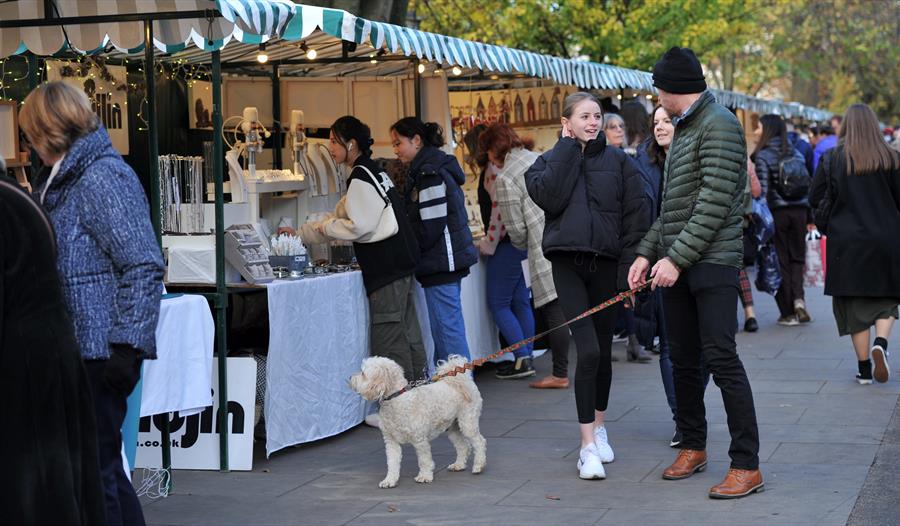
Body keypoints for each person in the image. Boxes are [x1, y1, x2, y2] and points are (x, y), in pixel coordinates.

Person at [20, 81, 164, 525]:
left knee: (98, 471)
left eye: (29, 134)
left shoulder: (102, 176)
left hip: (99, 353)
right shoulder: (66, 175)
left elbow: (143, 263)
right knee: (95, 469)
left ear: (48, 130)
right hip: (78, 350)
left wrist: (127, 348)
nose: (27, 144)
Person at [628, 47, 763, 499]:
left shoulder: (719, 124)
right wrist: (647, 253)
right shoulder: (686, 127)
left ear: (670, 89)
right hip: (679, 264)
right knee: (683, 359)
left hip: (713, 263)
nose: (656, 99)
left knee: (721, 360)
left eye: (658, 89)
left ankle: (747, 465)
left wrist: (676, 258)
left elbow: (715, 203)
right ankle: (692, 445)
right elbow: (674, 207)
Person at [526, 92, 649, 480]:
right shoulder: (547, 162)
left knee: (600, 355)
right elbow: (549, 197)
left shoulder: (619, 163)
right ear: (567, 121)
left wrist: (630, 268)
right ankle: (586, 446)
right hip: (566, 264)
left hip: (607, 266)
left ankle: (600, 427)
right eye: (585, 116)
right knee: (590, 350)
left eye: (597, 116)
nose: (594, 122)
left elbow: (636, 215)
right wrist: (567, 149)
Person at [1, 167, 107, 526]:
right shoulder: (17, 197)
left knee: (36, 489)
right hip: (46, 349)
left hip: (24, 362)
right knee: (59, 484)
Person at [301, 116, 426, 385]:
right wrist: (309, 230)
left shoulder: (360, 176)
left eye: (335, 142)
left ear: (352, 144)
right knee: (407, 330)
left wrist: (328, 228)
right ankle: (419, 391)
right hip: (402, 261)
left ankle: (396, 401)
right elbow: (349, 210)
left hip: (387, 267)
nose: (331, 148)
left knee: (389, 334)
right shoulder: (372, 171)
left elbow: (359, 225)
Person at [810, 103, 900, 385]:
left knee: (854, 306)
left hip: (846, 241)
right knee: (887, 299)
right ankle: (881, 344)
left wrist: (827, 226)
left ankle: (863, 370)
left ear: (845, 126)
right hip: (886, 238)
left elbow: (816, 199)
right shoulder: (892, 158)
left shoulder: (832, 158)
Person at [481, 123, 571, 387]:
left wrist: (524, 245)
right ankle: (544, 364)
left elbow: (516, 229)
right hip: (564, 235)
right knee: (557, 305)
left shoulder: (506, 177)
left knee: (553, 309)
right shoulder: (538, 157)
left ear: (492, 150)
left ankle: (559, 373)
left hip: (541, 245)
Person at [390, 117, 478, 364]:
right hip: (443, 261)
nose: (395, 150)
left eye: (398, 143)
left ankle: (462, 392)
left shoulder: (428, 171)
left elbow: (431, 225)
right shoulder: (431, 166)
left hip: (440, 263)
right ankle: (451, 391)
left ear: (416, 140)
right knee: (445, 331)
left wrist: (408, 249)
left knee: (448, 332)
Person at [633, 104, 680, 444]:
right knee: (669, 346)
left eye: (667, 121)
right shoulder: (643, 163)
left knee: (708, 348)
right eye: (656, 122)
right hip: (661, 263)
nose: (660, 127)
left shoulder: (692, 158)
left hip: (698, 261)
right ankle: (682, 418)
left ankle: (689, 409)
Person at [753, 114, 812, 326]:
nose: (756, 131)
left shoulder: (762, 155)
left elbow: (762, 193)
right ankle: (799, 301)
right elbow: (808, 183)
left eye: (758, 127)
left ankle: (787, 313)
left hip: (777, 213)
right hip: (800, 212)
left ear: (768, 129)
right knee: (798, 258)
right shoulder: (796, 152)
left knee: (780, 261)